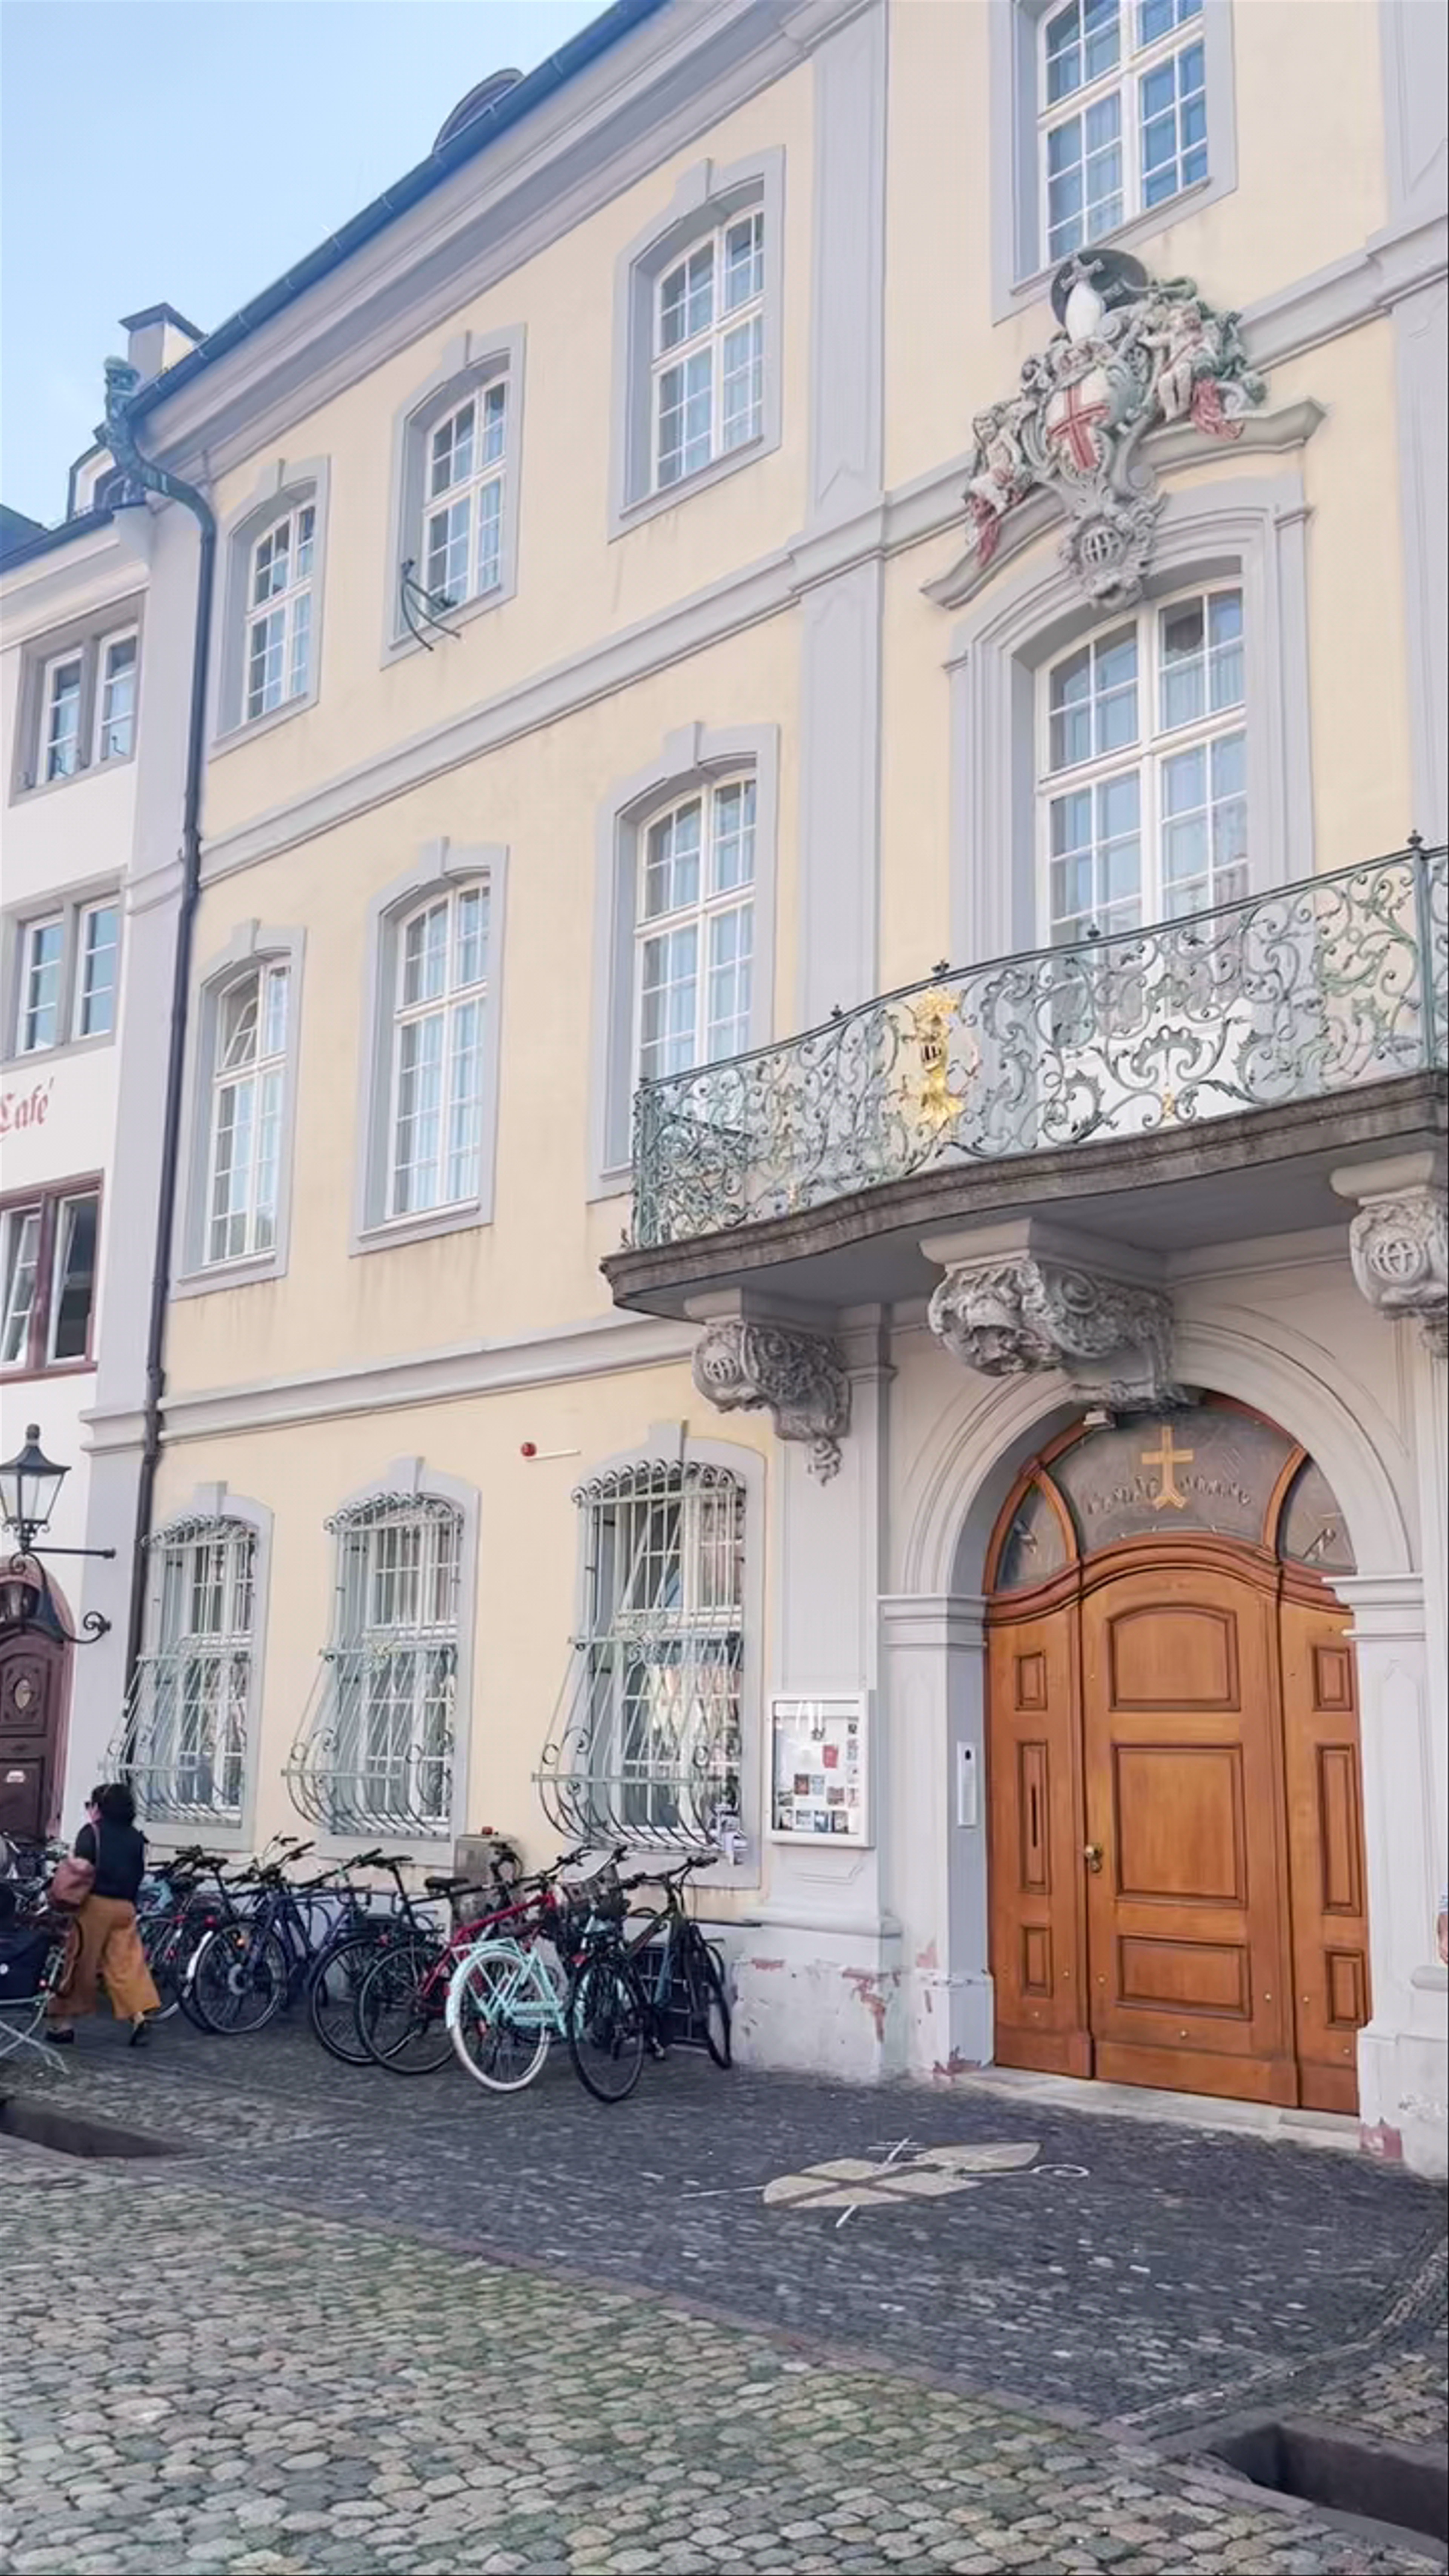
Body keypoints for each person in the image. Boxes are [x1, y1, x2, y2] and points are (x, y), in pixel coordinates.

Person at [46, 1784, 160, 2047]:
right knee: (127, 1964)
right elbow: (139, 1873)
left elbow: (80, 1870)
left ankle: (62, 2024)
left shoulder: (92, 1833)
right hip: (126, 1907)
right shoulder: (135, 1837)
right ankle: (140, 2015)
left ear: (100, 1807)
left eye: (91, 1804)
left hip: (94, 1906)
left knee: (79, 1965)